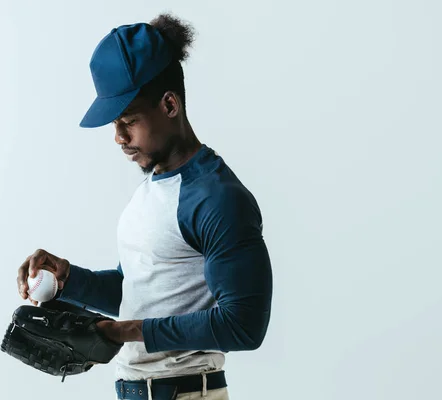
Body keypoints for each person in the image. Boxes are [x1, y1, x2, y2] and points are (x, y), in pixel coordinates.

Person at [16, 13, 273, 400]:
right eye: (114, 124)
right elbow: (136, 290)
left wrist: (123, 331)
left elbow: (244, 325)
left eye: (128, 120)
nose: (118, 137)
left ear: (170, 104)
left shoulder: (218, 198)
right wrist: (69, 279)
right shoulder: (153, 187)